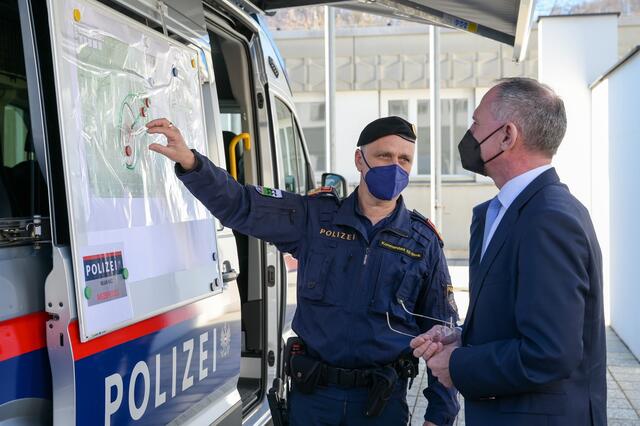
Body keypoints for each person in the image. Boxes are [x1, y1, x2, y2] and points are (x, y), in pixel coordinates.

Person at [147, 116, 459, 425]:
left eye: (404, 159)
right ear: (359, 159)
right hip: (313, 397)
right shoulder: (314, 217)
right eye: (384, 156)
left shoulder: (423, 243)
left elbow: (442, 336)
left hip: (381, 403)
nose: (395, 167)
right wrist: (190, 162)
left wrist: (439, 418)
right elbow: (241, 206)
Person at [410, 77, 606, 425]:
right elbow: (519, 316)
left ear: (507, 136)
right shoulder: (498, 213)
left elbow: (550, 352)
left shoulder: (550, 217)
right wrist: (461, 337)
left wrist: (458, 364)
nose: (469, 133)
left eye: (475, 122)